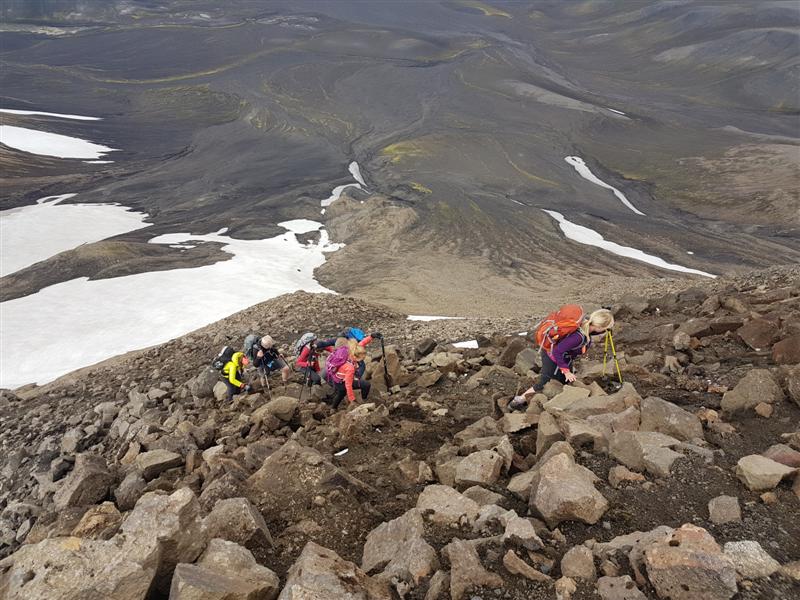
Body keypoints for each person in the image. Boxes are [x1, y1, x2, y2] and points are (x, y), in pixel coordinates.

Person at [532, 308, 614, 392]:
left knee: (565, 381)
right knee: (543, 384)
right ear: (599, 326)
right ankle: (523, 397)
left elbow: (595, 331)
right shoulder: (578, 337)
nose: (605, 330)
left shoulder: (585, 324)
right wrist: (566, 372)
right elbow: (557, 351)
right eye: (606, 328)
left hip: (565, 358)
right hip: (552, 356)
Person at [328, 340, 371, 409]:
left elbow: (361, 344)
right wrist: (352, 399)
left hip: (337, 379)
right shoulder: (350, 367)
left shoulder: (350, 354)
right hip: (342, 381)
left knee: (341, 393)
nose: (362, 360)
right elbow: (348, 385)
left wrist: (370, 337)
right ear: (356, 357)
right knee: (366, 385)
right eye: (362, 358)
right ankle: (364, 400)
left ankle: (333, 408)